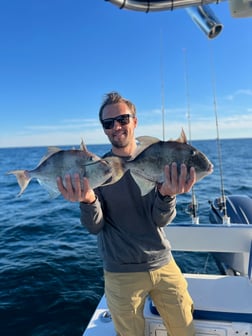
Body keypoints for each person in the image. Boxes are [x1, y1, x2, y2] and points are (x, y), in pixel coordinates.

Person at [57, 92, 196, 336]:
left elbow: (160, 220)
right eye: (108, 123)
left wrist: (166, 194)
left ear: (135, 121)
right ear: (104, 129)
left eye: (122, 119)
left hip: (163, 264)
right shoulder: (97, 168)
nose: (116, 127)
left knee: (185, 330)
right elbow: (95, 227)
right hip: (120, 274)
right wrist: (88, 200)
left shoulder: (157, 159)